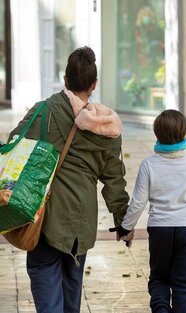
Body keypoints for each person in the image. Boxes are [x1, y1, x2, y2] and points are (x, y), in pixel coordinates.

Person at [8, 46, 130, 313]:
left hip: (43, 218)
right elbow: (114, 180)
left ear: (65, 79)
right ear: (94, 84)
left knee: (45, 284)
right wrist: (123, 221)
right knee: (71, 295)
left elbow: (14, 145)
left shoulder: (43, 111)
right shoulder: (107, 126)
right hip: (79, 222)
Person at [115, 109, 186, 313]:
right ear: (184, 133)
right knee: (185, 282)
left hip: (160, 229)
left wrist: (126, 228)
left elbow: (138, 203)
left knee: (159, 277)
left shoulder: (149, 164)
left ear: (157, 134)